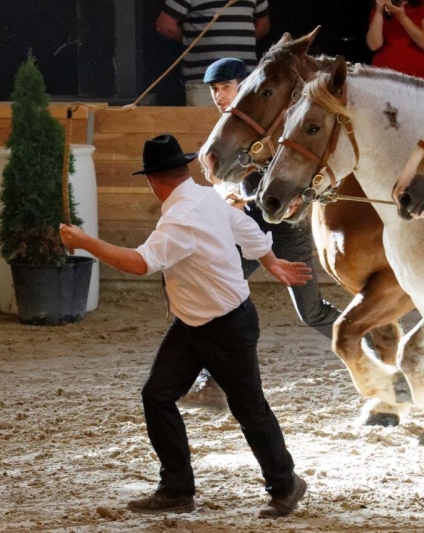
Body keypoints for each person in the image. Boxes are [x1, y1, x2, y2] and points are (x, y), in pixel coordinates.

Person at [59, 134, 311, 517]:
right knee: (157, 394)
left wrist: (85, 242)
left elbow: (140, 263)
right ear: (182, 169)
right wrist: (272, 262)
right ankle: (176, 488)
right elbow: (245, 229)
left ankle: (286, 483)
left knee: (250, 410)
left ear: (153, 179)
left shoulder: (179, 218)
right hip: (194, 322)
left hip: (226, 327)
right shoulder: (205, 195)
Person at [182, 58, 343, 408]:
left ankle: (373, 343)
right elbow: (223, 179)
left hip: (287, 228)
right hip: (251, 225)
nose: (218, 97)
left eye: (224, 88)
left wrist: (301, 196)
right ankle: (214, 382)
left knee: (311, 312)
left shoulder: (280, 121)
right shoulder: (233, 126)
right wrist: (228, 193)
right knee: (218, 294)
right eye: (214, 91)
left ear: (247, 87)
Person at [156, 0, 270, 106]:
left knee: (246, 127)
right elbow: (166, 25)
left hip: (246, 82)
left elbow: (263, 24)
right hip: (205, 83)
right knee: (202, 127)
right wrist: (195, 41)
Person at [367, 0, 424, 81]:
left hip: (416, 78)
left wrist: (401, 16)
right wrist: (379, 11)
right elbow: (373, 45)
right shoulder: (381, 5)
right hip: (381, 76)